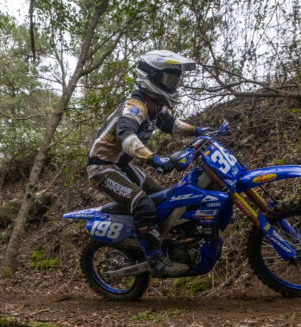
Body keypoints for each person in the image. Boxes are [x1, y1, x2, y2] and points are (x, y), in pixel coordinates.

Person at [87, 50, 212, 276]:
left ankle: (158, 241)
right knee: (144, 204)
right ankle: (155, 260)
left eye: (175, 80)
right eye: (169, 79)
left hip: (122, 166)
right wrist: (154, 158)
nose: (173, 85)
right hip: (101, 167)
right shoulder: (135, 106)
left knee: (163, 197)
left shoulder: (154, 107)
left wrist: (199, 131)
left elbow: (173, 125)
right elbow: (126, 138)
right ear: (151, 77)